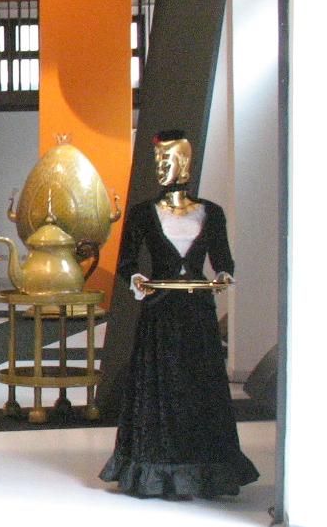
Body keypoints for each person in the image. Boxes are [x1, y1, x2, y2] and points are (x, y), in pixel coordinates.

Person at [99, 130, 259, 499]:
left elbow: (223, 259)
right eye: (157, 160)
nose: (160, 167)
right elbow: (126, 262)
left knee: (200, 386)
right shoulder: (144, 213)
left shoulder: (211, 213)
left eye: (166, 160)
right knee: (160, 386)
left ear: (184, 163)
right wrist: (137, 279)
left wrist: (223, 275)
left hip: (198, 313)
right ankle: (155, 468)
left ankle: (204, 467)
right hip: (160, 312)